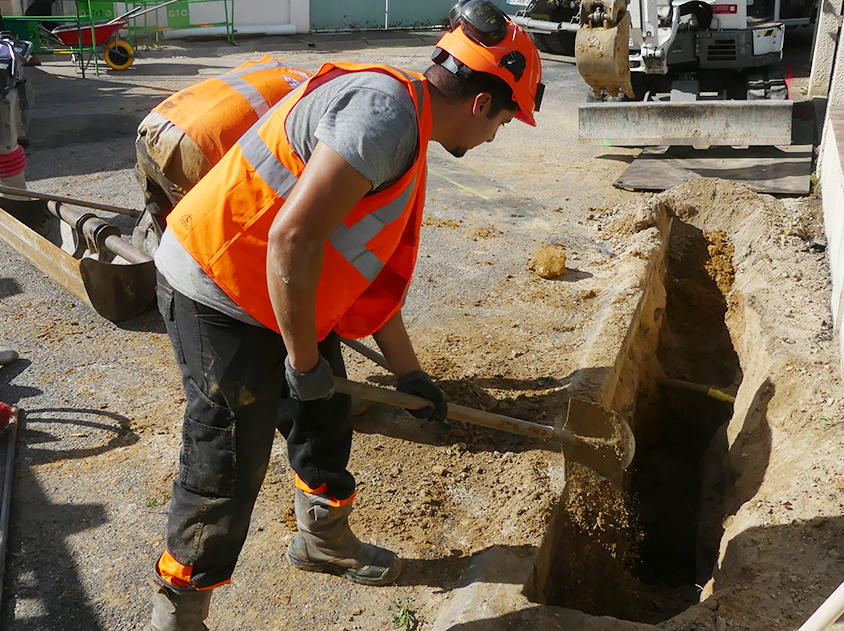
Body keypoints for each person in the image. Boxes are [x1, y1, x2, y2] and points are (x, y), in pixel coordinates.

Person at [145, 1, 544, 629]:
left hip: (278, 291)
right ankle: (180, 613)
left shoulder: (406, 122)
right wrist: (302, 361)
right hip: (218, 284)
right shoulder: (383, 118)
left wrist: (408, 375)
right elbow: (292, 240)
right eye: (506, 120)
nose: (497, 135)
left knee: (324, 413)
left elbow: (360, 267)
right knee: (225, 455)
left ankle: (323, 541)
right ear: (479, 104)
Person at [132, 56, 312, 254]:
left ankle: (157, 271)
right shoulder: (316, 100)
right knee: (200, 247)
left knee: (164, 235)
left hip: (158, 121)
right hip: (196, 146)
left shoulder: (280, 67)